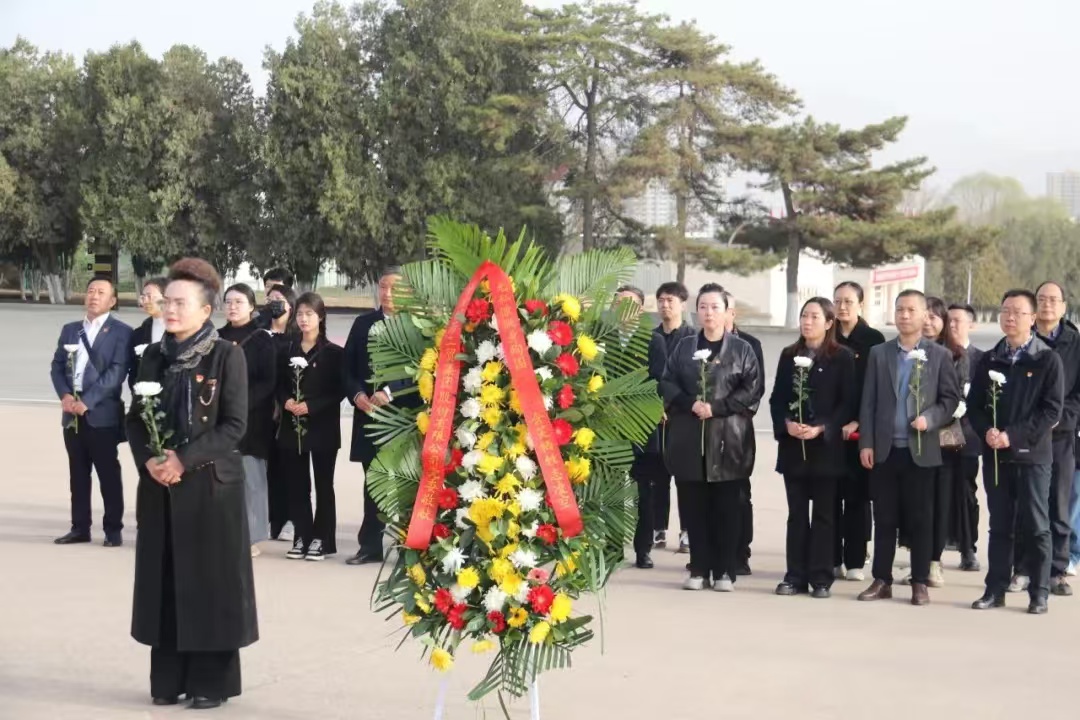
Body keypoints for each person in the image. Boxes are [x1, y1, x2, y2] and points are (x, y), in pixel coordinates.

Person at [127, 258, 257, 708]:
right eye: (167, 302)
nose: (170, 310)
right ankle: (168, 679)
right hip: (160, 488)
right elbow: (135, 419)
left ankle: (209, 683)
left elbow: (234, 426)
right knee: (164, 581)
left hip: (209, 490)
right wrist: (150, 461)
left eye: (181, 303)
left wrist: (182, 459)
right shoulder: (152, 357)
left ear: (206, 310)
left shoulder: (227, 356)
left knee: (209, 585)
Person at [857, 289, 961, 606]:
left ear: (925, 315)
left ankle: (919, 581)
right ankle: (882, 579)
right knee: (884, 518)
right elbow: (868, 402)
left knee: (921, 519)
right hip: (885, 450)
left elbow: (950, 400)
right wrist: (866, 443)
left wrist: (930, 419)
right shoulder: (879, 353)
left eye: (911, 310)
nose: (904, 315)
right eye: (899, 309)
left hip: (921, 451)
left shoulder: (939, 355)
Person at [661, 284, 763, 592]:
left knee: (727, 509)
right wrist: (690, 403)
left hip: (728, 440)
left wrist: (716, 408)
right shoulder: (684, 347)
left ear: (727, 312)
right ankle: (698, 569)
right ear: (696, 312)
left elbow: (752, 388)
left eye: (715, 307)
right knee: (694, 508)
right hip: (690, 438)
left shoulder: (742, 349)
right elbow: (667, 382)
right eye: (703, 307)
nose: (709, 313)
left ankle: (725, 571)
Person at [968, 289, 1064, 615]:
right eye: (1005, 310)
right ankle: (995, 590)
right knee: (1000, 526)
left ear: (1032, 318)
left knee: (1036, 526)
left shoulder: (1046, 359)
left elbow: (1051, 411)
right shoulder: (989, 359)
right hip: (997, 455)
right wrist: (988, 432)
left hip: (1032, 455)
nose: (1010, 317)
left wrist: (1013, 435)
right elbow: (975, 406)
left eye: (1018, 312)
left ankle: (1039, 593)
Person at [770, 298, 856, 598]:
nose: (807, 322)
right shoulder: (789, 355)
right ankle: (794, 575)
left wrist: (822, 428)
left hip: (825, 449)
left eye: (814, 317)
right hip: (794, 448)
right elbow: (777, 399)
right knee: (796, 514)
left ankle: (821, 577)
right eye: (804, 316)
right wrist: (787, 425)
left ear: (829, 323)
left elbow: (847, 402)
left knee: (824, 515)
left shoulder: (842, 357)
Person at [50, 277, 133, 547]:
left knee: (108, 474)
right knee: (78, 473)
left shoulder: (122, 332)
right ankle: (80, 528)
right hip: (71, 414)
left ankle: (113, 530)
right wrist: (65, 395)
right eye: (90, 291)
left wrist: (87, 401)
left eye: (101, 292)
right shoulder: (70, 329)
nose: (94, 296)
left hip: (102, 415)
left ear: (112, 300)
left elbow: (117, 372)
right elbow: (57, 366)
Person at [344, 266, 418, 565]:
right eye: (383, 287)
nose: (387, 293)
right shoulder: (363, 324)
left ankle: (408, 546)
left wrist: (390, 391)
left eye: (394, 288)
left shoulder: (416, 326)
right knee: (373, 482)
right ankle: (370, 546)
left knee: (405, 482)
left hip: (403, 417)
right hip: (369, 417)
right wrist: (357, 395)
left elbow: (422, 369)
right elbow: (346, 367)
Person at [1012, 281, 1080, 597]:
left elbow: (1077, 396)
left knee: (1059, 505)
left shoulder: (1075, 344)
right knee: (1025, 504)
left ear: (1064, 306)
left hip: (1061, 436)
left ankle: (1057, 571)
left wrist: (1058, 419)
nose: (1048, 304)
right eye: (1042, 299)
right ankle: (1023, 569)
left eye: (1054, 300)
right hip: (1026, 435)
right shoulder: (1021, 339)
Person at [904, 296, 969, 589]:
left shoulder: (955, 355)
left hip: (943, 440)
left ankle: (934, 561)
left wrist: (933, 417)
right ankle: (916, 561)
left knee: (940, 503)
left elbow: (959, 397)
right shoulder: (906, 351)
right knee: (916, 503)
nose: (928, 322)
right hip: (912, 439)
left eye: (934, 317)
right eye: (925, 315)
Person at [277, 292, 345, 561]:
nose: (304, 319)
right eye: (300, 314)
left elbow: (338, 390)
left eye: (309, 314)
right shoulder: (287, 349)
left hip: (323, 427)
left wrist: (312, 406)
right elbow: (277, 384)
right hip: (292, 426)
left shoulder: (333, 353)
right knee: (297, 484)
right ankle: (302, 535)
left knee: (323, 484)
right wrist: (285, 400)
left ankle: (322, 539)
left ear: (321, 316)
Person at [832, 281, 886, 582]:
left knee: (857, 497)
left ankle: (855, 559)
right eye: (837, 301)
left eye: (848, 301)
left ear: (861, 305)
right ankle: (831, 558)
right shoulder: (827, 334)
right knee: (829, 497)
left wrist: (858, 422)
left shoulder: (873, 340)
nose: (842, 307)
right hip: (830, 430)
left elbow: (875, 387)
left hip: (859, 431)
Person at [219, 283, 277, 557]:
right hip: (221, 419)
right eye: (228, 301)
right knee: (222, 478)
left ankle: (251, 537)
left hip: (252, 419)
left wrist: (240, 405)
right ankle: (225, 533)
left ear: (252, 307)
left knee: (251, 478)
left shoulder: (262, 339)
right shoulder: (216, 337)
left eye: (239, 302)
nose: (232, 306)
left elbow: (268, 381)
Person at [648, 282, 695, 554]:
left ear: (683, 304)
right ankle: (658, 529)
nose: (665, 305)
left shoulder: (693, 339)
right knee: (657, 477)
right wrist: (654, 406)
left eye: (671, 300)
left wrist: (672, 404)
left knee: (685, 478)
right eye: (661, 300)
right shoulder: (650, 337)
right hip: (653, 418)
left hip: (682, 417)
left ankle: (687, 531)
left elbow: (692, 380)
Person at [722, 289, 762, 576]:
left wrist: (730, 411)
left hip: (737, 429)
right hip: (705, 429)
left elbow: (755, 389)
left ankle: (740, 553)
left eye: (723, 308)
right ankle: (710, 552)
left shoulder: (749, 344)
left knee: (738, 493)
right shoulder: (694, 345)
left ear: (732, 313)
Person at [947, 303, 983, 572]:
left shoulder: (982, 359)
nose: (952, 325)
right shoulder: (940, 355)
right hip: (941, 432)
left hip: (970, 435)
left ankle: (968, 548)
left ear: (971, 324)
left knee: (966, 492)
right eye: (948, 320)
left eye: (958, 320)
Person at [265, 283, 299, 543]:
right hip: (261, 409)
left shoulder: (296, 338)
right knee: (268, 468)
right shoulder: (259, 334)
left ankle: (291, 520)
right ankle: (270, 519)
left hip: (288, 408)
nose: (274, 303)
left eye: (279, 299)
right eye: (270, 299)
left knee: (290, 468)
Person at [129, 277, 167, 391]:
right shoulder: (139, 333)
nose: (145, 301)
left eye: (150, 296)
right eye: (143, 297)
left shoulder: (182, 330)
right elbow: (134, 370)